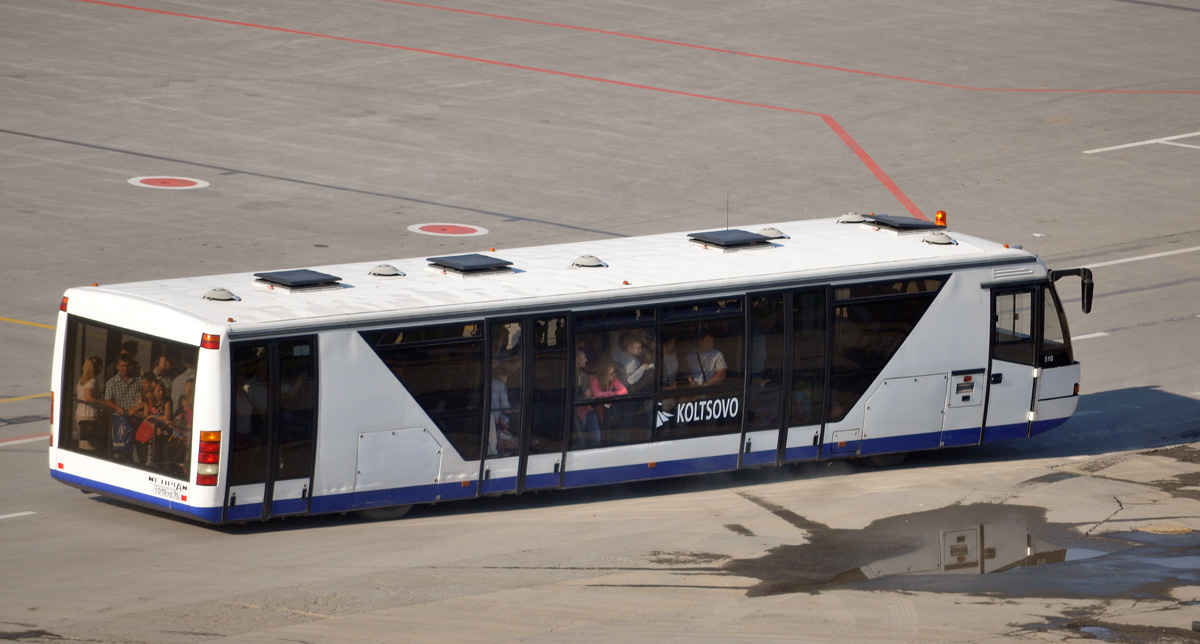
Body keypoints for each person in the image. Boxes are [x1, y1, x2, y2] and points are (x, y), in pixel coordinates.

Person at [103, 352, 143, 455]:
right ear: (117, 367)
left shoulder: (139, 380)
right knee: (119, 450)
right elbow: (107, 400)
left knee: (136, 452)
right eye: (123, 366)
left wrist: (136, 408)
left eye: (127, 366)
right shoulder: (111, 383)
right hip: (120, 421)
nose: (125, 369)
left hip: (136, 420)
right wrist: (117, 407)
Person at [75, 357, 104, 450]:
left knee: (83, 441)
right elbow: (88, 397)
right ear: (99, 367)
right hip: (89, 416)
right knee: (90, 445)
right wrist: (102, 402)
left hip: (79, 414)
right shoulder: (92, 381)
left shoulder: (82, 380)